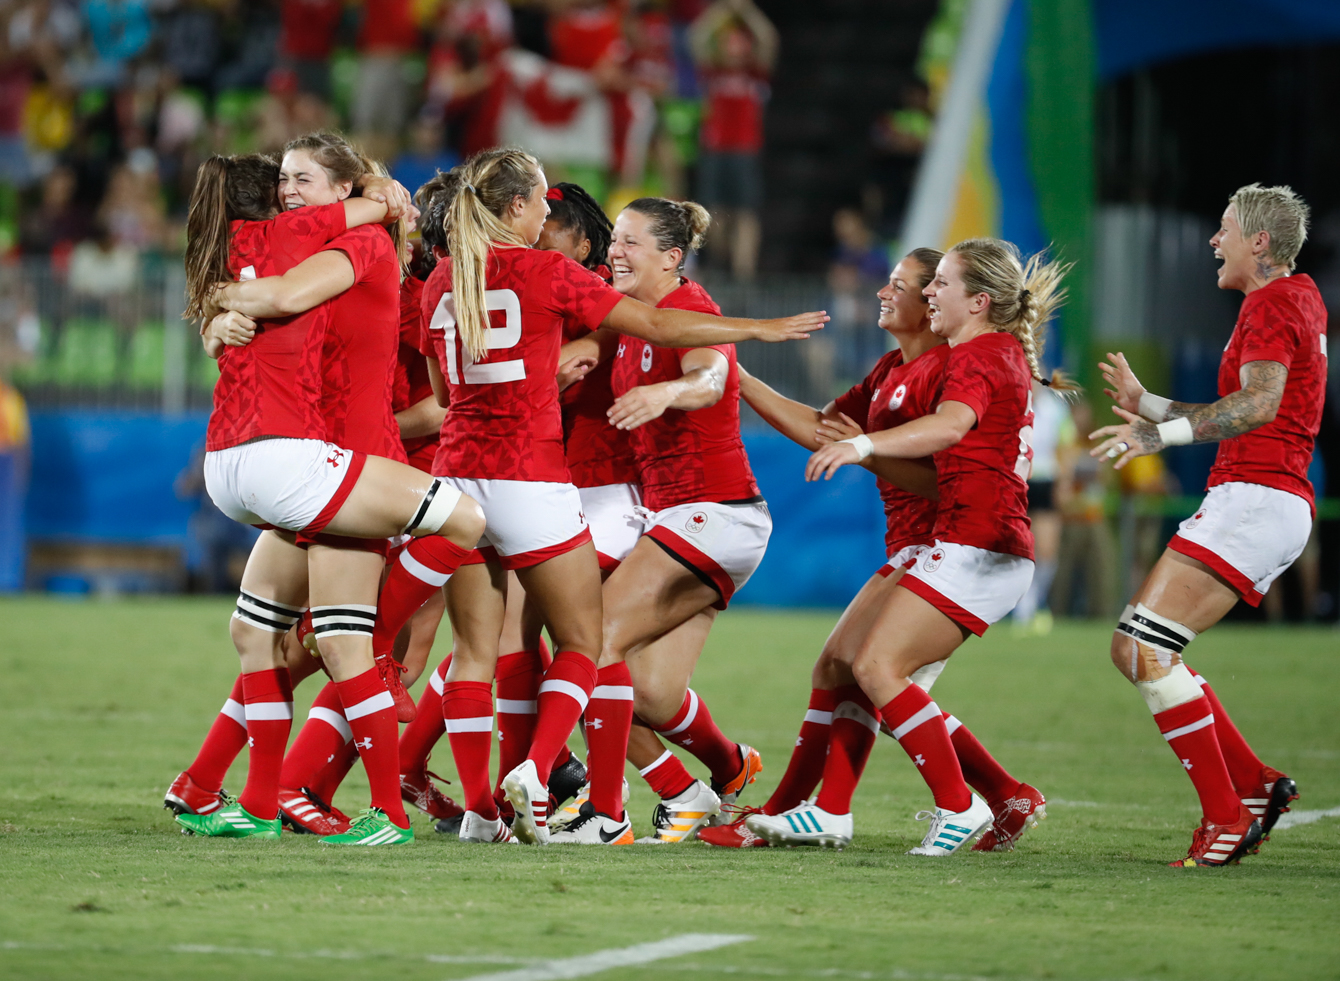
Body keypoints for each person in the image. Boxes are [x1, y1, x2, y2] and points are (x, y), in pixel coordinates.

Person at [370, 147, 824, 846]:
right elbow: (676, 339)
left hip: (492, 482)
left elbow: (442, 395)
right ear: (517, 208)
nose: (557, 224)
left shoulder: (446, 284)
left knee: (490, 649)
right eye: (542, 206)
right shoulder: (564, 288)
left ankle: (544, 802)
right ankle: (619, 793)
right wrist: (756, 330)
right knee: (588, 649)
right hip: (545, 483)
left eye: (625, 239)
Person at [703, 250, 1045, 853]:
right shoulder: (897, 367)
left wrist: (864, 447)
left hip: (966, 541)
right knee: (846, 669)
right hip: (945, 544)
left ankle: (905, 807)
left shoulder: (961, 361)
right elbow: (822, 429)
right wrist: (742, 377)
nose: (889, 293)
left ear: (972, 300)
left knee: (874, 671)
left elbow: (945, 452)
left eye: (922, 284)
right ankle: (993, 794)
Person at [1089, 183, 1319, 866]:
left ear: (1260, 242)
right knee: (1147, 648)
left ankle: (1226, 813)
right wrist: (1151, 405)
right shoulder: (1289, 297)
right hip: (1263, 495)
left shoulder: (1274, 300)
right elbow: (1244, 401)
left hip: (1257, 494)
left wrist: (1162, 437)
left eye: (1224, 229)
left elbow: (1258, 406)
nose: (1213, 241)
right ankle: (1254, 786)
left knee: (1141, 648)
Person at [549, 198, 772, 846]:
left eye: (629, 242)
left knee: (590, 642)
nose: (613, 250)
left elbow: (708, 375)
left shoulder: (690, 310)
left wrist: (667, 392)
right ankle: (726, 773)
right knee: (650, 691)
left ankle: (605, 812)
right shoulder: (636, 321)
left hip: (710, 511)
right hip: (700, 518)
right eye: (614, 239)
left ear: (671, 258)